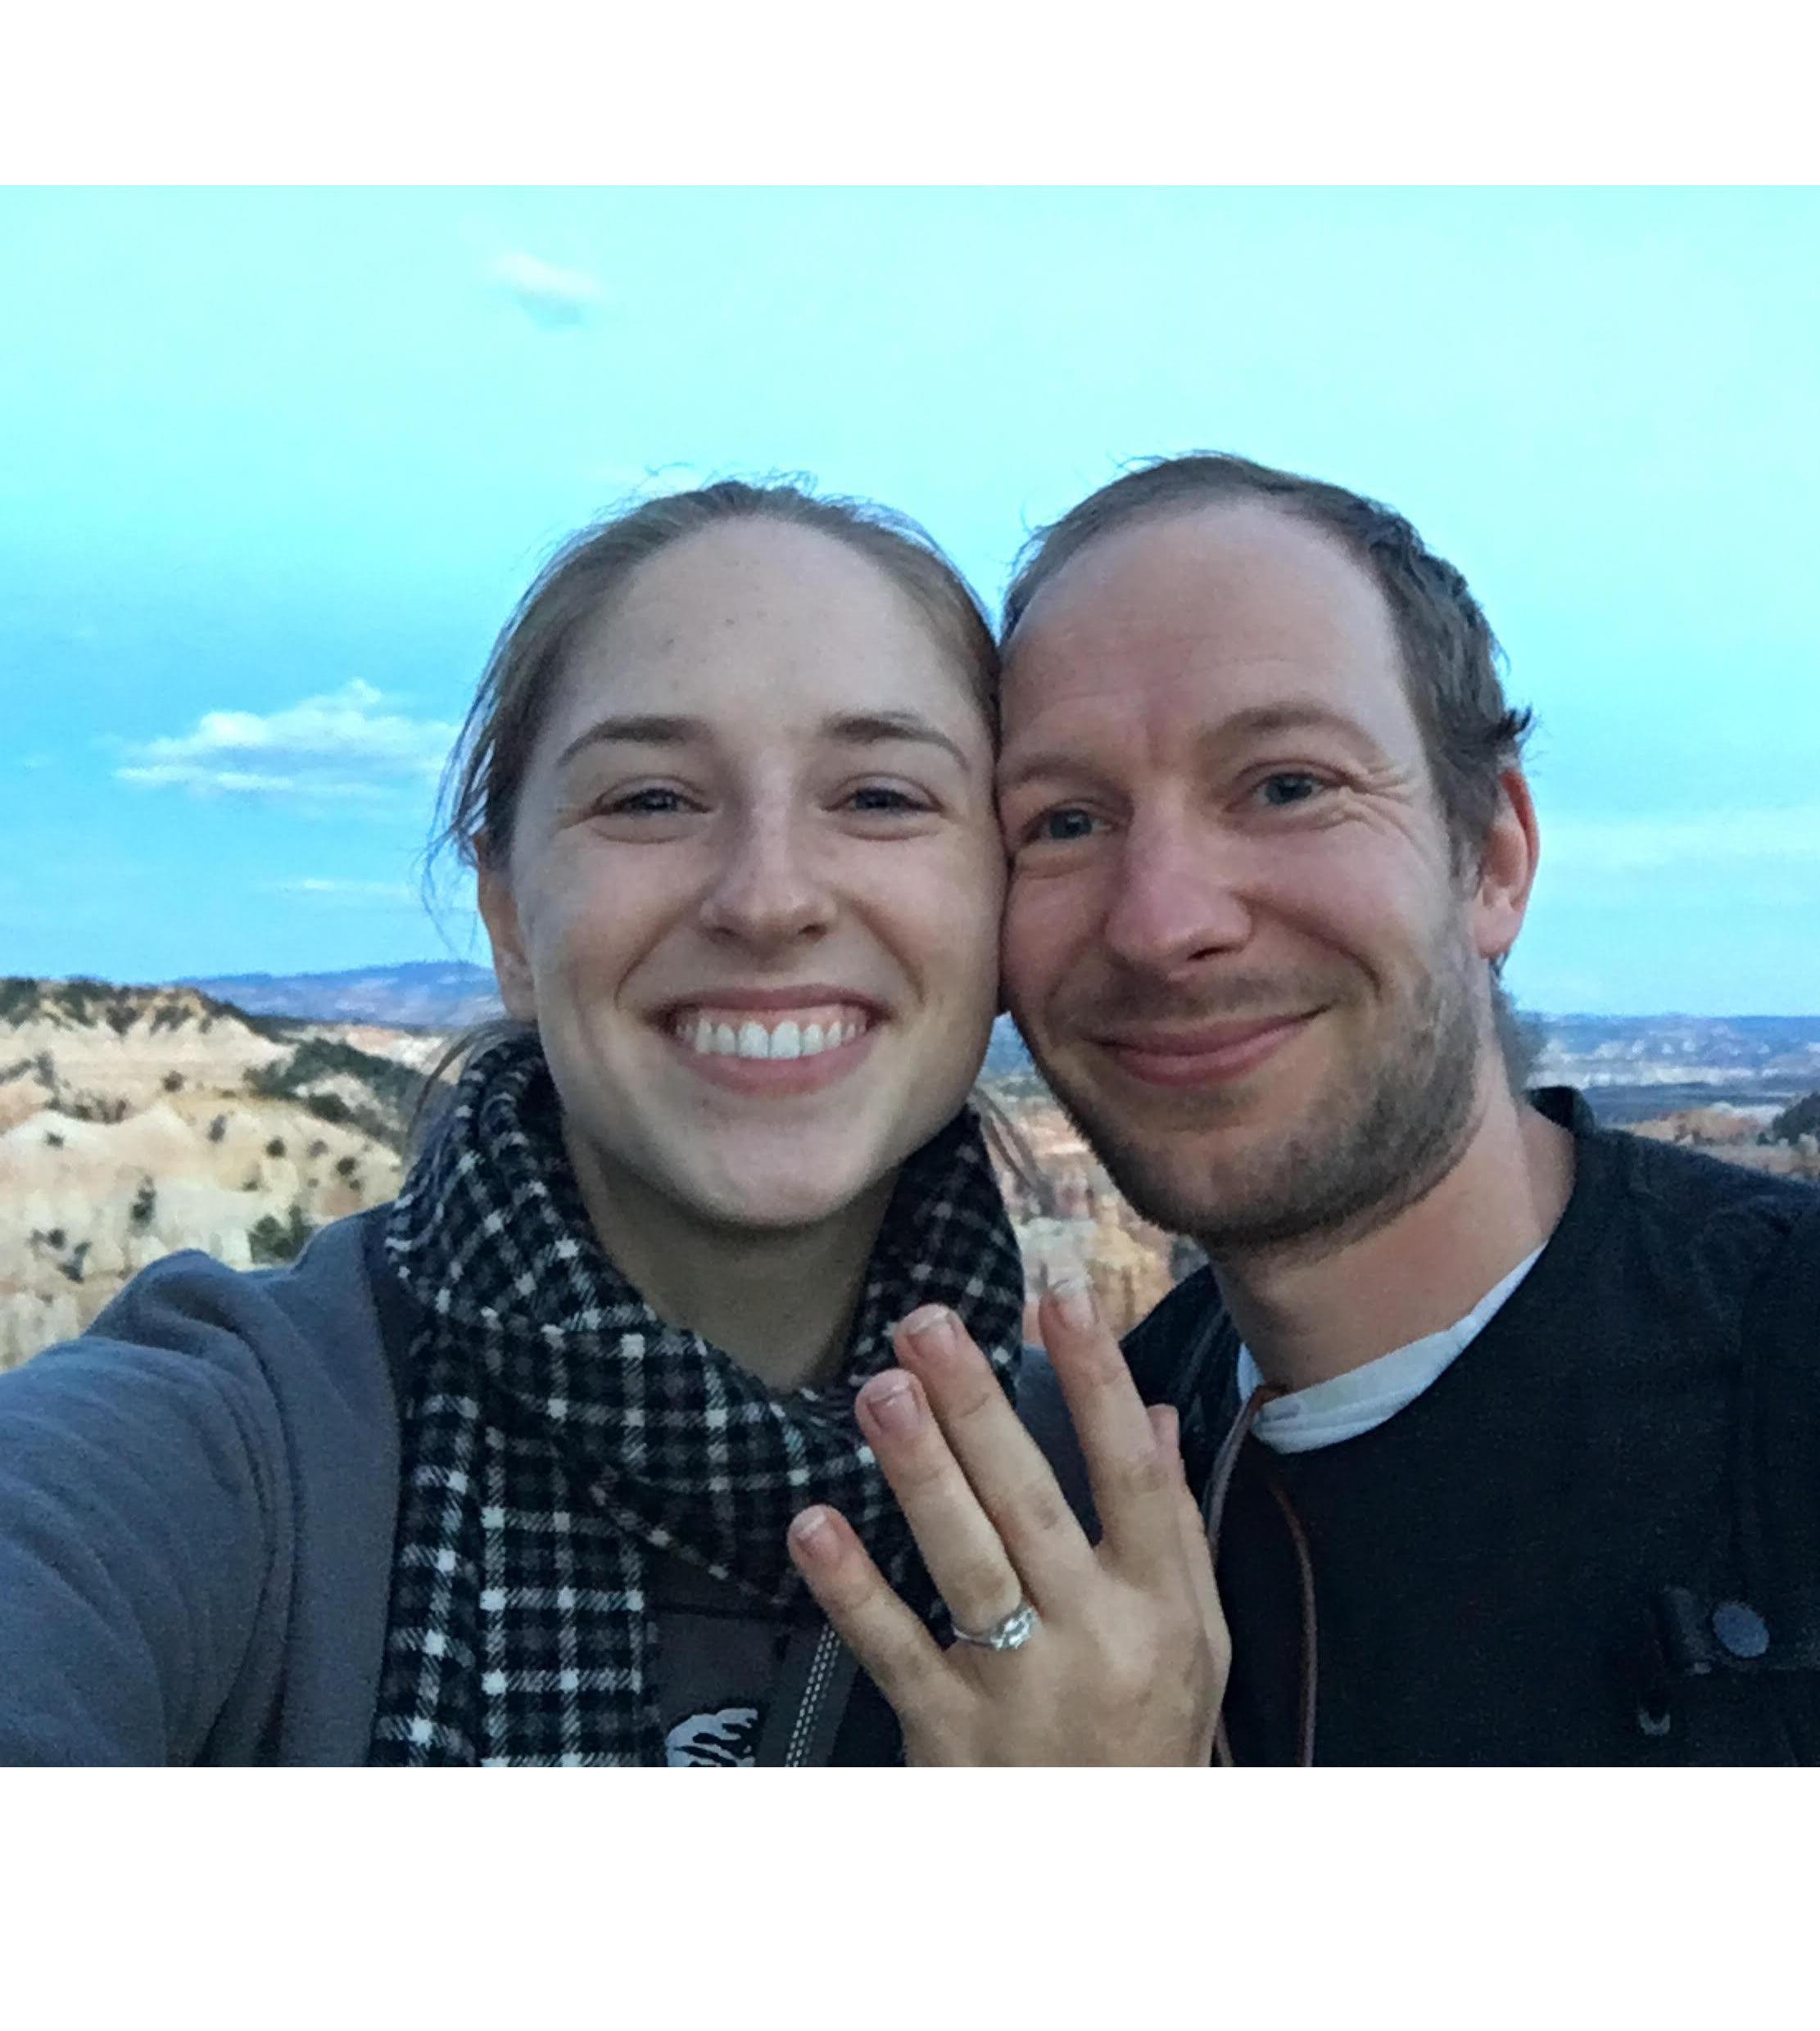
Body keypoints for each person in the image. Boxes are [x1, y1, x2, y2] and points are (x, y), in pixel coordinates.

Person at [812, 449, 1820, 1766]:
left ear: (1492, 860)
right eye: (1067, 820)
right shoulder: (1057, 1508)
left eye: (1287, 785)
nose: (1163, 924)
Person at [0, 478, 1226, 1767]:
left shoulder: (1131, 1530)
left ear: (1000, 899)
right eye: (650, 799)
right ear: (512, 917)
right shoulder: (223, 1457)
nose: (768, 897)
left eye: (878, 797)